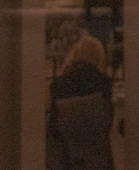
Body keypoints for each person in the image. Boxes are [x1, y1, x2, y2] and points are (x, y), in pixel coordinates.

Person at [46, 33, 115, 170]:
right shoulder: (104, 83)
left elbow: (54, 126)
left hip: (67, 157)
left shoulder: (58, 85)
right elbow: (108, 122)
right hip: (97, 158)